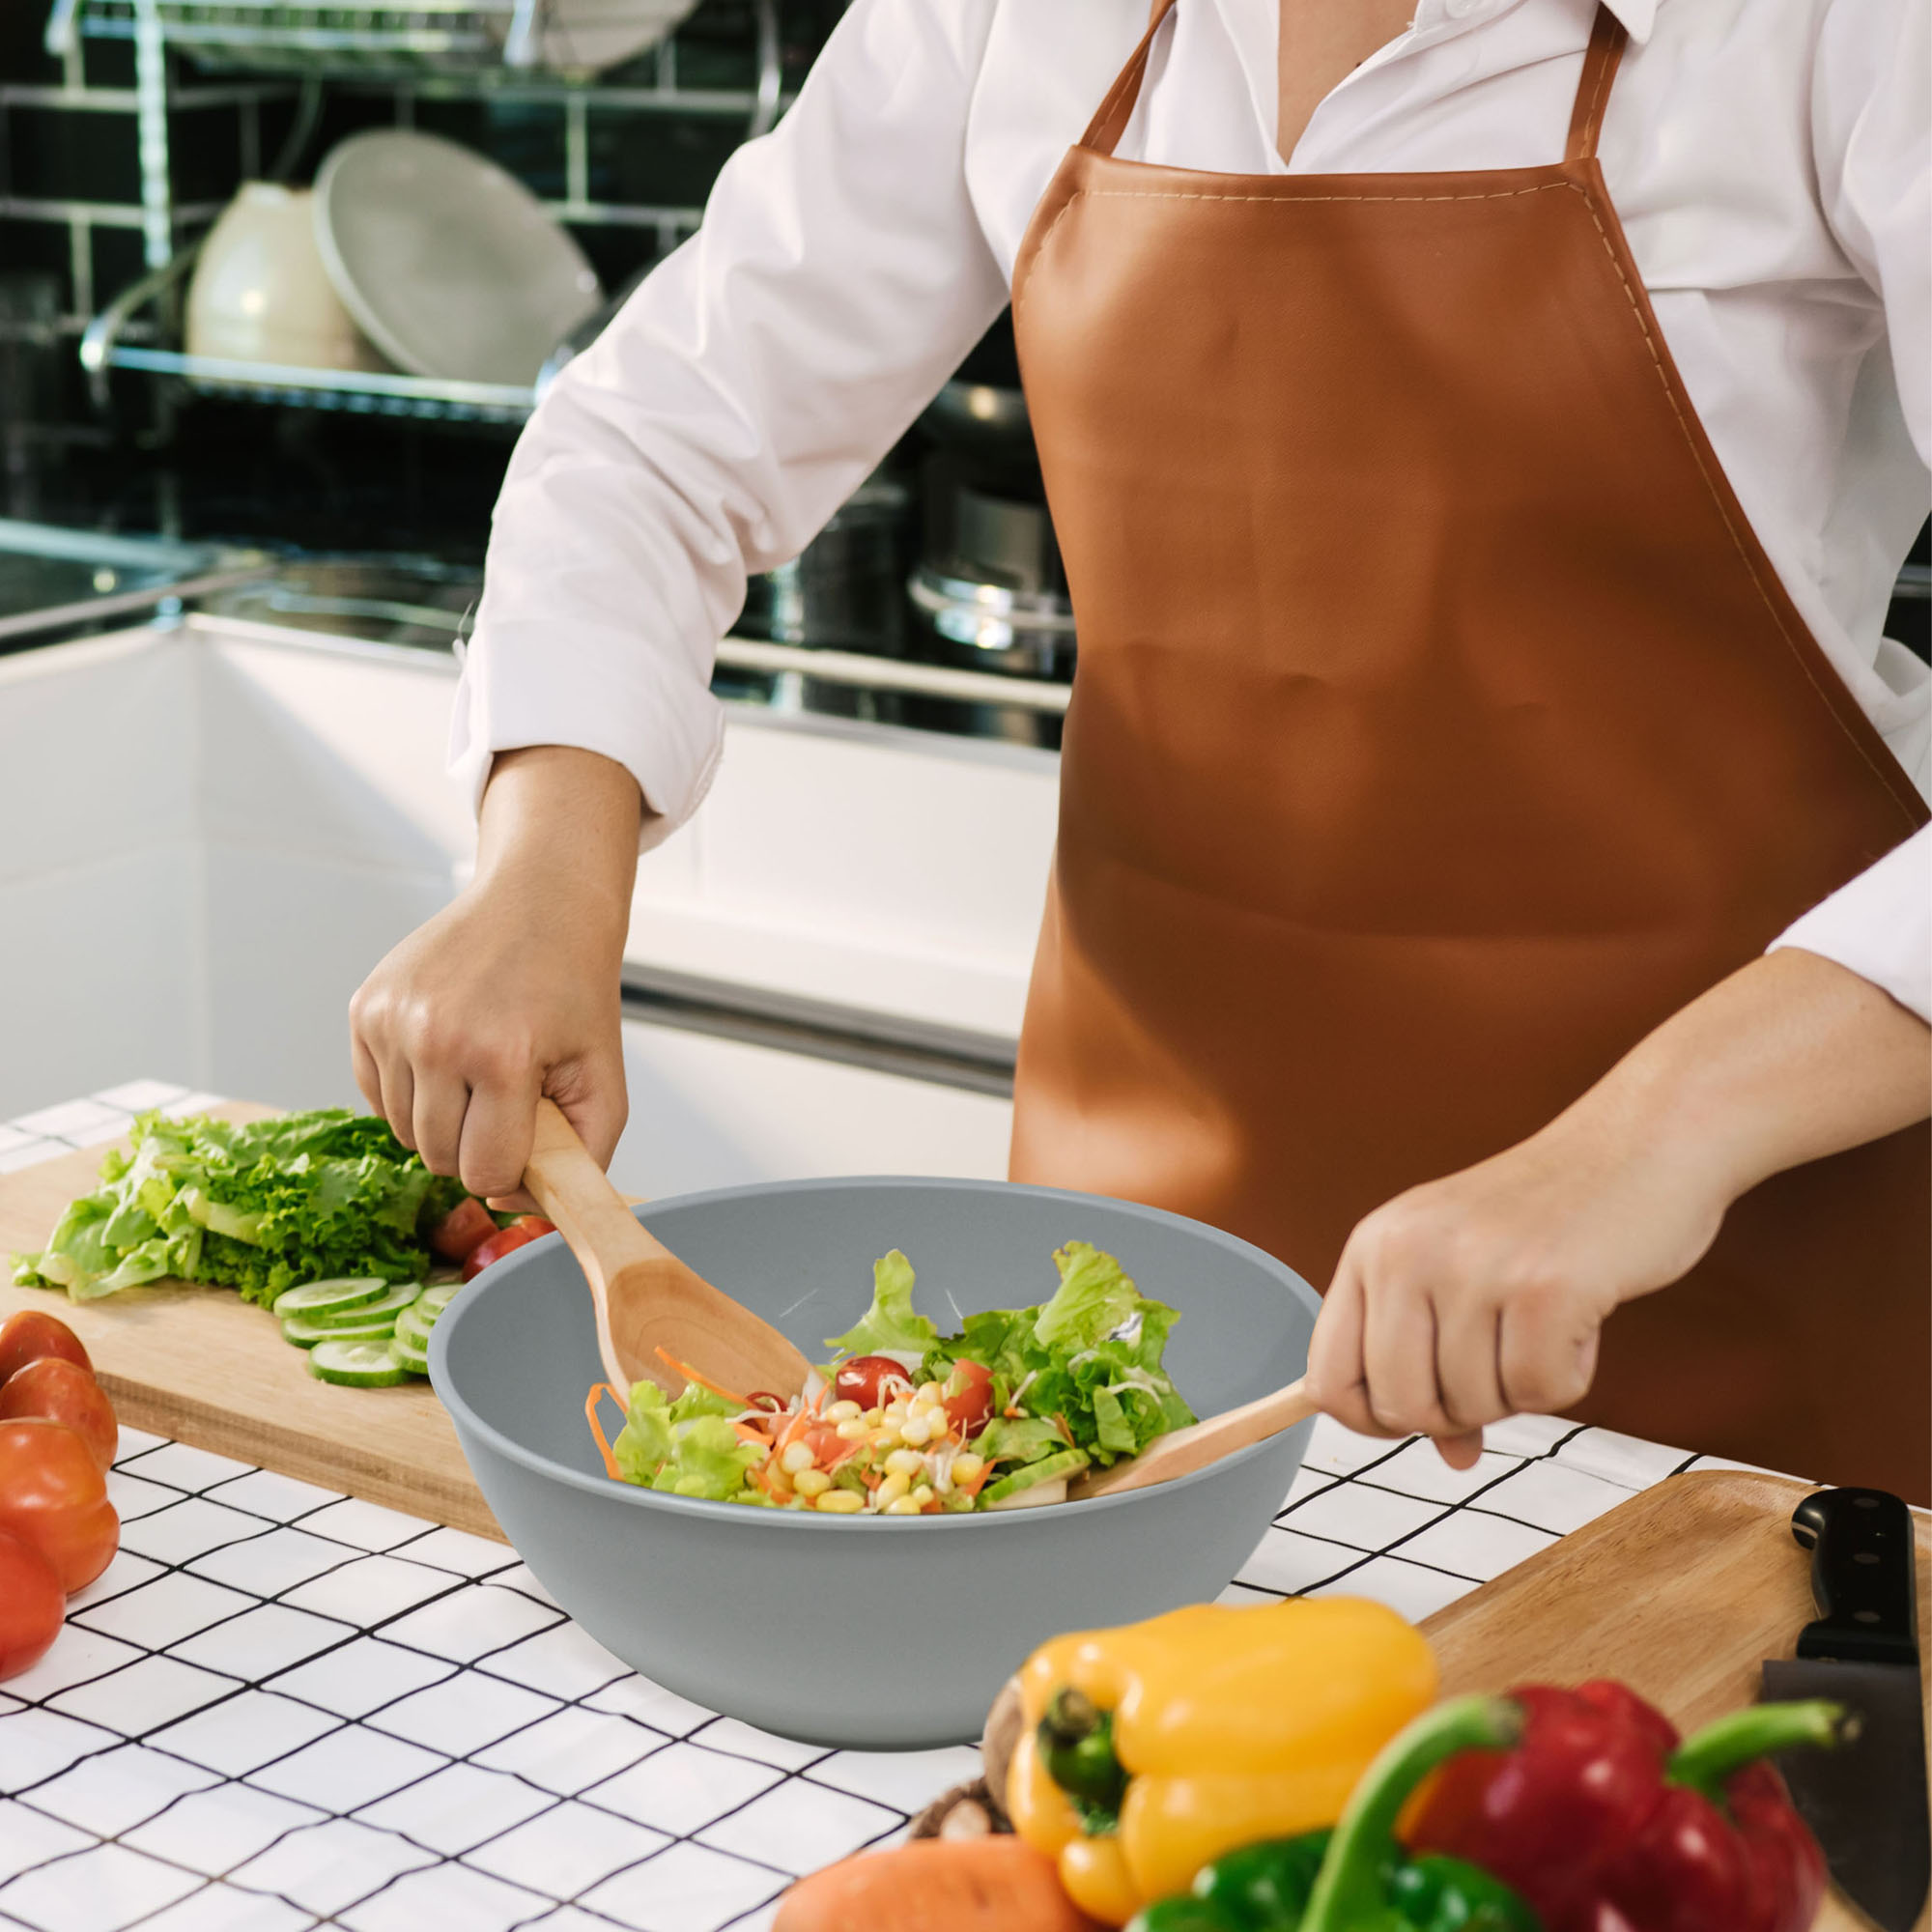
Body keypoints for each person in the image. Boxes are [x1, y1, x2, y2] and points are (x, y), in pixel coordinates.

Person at [351, 0, 1932, 1498]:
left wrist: (1648, 1144)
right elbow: (658, 440)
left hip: (1740, 1295)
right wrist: (547, 862)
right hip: (1138, 1324)